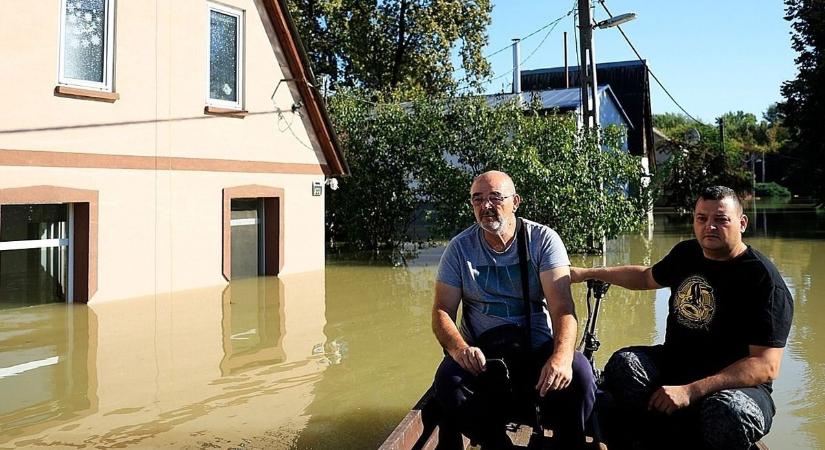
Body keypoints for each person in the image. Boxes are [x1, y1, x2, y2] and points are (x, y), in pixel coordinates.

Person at [570, 186, 794, 450]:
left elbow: (766, 365)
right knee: (623, 365)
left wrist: (690, 391)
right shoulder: (687, 253)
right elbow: (645, 277)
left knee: (729, 412)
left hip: (736, 388)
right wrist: (586, 273)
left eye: (721, 219)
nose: (709, 226)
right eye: (702, 218)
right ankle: (653, 438)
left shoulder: (763, 280)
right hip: (677, 365)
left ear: (742, 223)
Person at [431, 170, 596, 449]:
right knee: (448, 382)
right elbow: (441, 311)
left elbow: (562, 308)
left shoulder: (542, 239)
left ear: (515, 202)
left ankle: (568, 442)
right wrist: (460, 349)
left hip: (535, 346)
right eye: (477, 199)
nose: (486, 206)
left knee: (580, 374)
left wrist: (562, 356)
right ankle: (496, 442)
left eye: (495, 197)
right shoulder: (459, 248)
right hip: (483, 353)